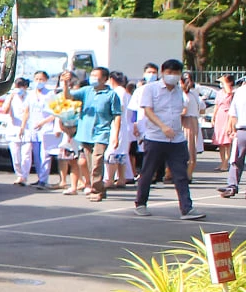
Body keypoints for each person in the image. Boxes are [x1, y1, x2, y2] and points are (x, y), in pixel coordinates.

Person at [132, 59, 207, 220]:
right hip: (155, 137)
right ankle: (140, 203)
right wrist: (162, 126)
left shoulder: (179, 91)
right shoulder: (150, 89)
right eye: (169, 73)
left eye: (176, 73)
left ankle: (187, 208)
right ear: (163, 73)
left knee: (180, 174)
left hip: (177, 139)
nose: (172, 76)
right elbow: (148, 111)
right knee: (148, 172)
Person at [70, 66, 123, 202]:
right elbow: (68, 96)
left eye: (96, 76)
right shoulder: (86, 91)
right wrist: (65, 84)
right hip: (85, 132)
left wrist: (116, 135)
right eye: (92, 75)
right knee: (89, 163)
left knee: (97, 161)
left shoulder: (111, 95)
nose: (93, 78)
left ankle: (96, 190)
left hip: (102, 132)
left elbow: (117, 116)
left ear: (105, 79)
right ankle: (100, 187)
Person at [4, 78, 39, 187]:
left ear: (25, 87)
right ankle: (19, 174)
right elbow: (5, 110)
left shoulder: (30, 97)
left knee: (26, 155)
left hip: (27, 130)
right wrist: (11, 96)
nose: (19, 89)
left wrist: (23, 127)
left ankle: (24, 176)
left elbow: (27, 113)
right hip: (13, 129)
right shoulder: (11, 97)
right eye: (17, 86)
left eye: (21, 86)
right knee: (15, 155)